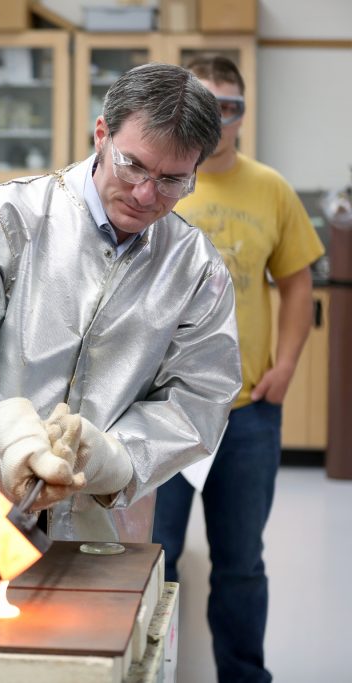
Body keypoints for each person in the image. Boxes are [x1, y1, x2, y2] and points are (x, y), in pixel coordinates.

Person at [0, 62, 242, 543]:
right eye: (132, 164)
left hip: (94, 527)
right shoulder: (6, 218)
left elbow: (201, 396)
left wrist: (117, 457)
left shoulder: (195, 270)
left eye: (172, 180)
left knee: (84, 616)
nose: (144, 194)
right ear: (101, 135)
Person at [152, 56, 324, 683]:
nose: (221, 118)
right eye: (209, 102)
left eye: (233, 107)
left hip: (247, 415)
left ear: (245, 117)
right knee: (153, 559)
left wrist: (287, 365)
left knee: (241, 564)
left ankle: (245, 676)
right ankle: (149, 672)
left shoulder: (271, 189)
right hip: (161, 413)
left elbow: (298, 285)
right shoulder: (162, 180)